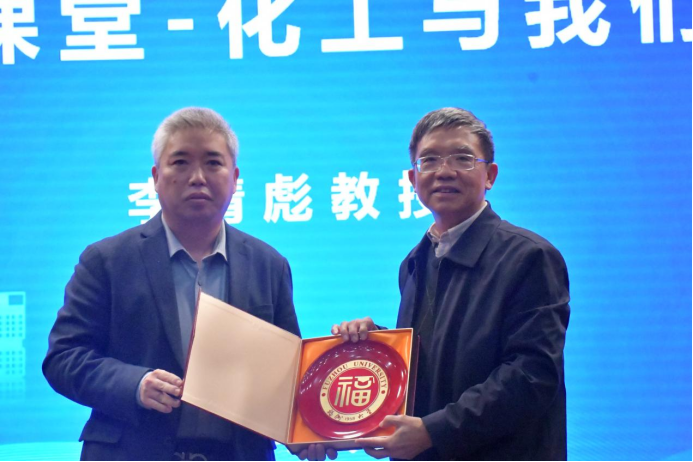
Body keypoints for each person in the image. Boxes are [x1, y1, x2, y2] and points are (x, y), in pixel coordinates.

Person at [43, 107, 302, 461]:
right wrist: (134, 384)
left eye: (213, 163)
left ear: (234, 177)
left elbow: (287, 376)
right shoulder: (106, 260)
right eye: (180, 162)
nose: (197, 177)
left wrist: (311, 428)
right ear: (155, 176)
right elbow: (63, 358)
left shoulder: (269, 265)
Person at [332, 108, 570, 461]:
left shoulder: (529, 257)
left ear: (490, 175)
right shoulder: (415, 263)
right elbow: (436, 358)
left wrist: (433, 432)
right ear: (413, 179)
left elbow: (531, 376)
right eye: (429, 160)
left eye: (462, 158)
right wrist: (376, 345)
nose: (444, 171)